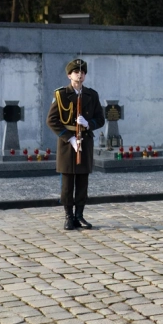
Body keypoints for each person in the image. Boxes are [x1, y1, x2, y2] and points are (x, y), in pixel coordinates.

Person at [47, 59, 105, 230]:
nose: (80, 75)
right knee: (67, 183)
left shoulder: (91, 95)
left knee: (82, 182)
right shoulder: (61, 94)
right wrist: (69, 138)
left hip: (85, 142)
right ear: (69, 75)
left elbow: (100, 119)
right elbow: (51, 120)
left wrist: (88, 123)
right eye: (76, 72)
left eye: (83, 72)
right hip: (67, 144)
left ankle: (79, 215)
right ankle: (68, 216)